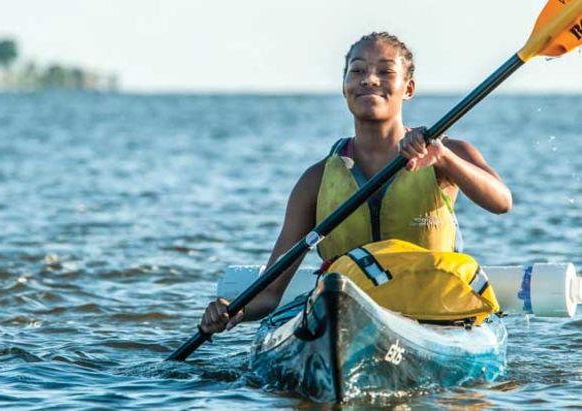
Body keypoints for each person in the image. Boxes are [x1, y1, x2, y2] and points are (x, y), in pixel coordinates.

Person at [200, 32, 512, 334]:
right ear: (345, 86)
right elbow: (269, 294)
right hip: (347, 321)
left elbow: (501, 202)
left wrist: (445, 160)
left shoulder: (448, 153)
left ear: (409, 88)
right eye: (357, 70)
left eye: (385, 71)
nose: (369, 79)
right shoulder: (316, 179)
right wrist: (233, 311)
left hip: (434, 315)